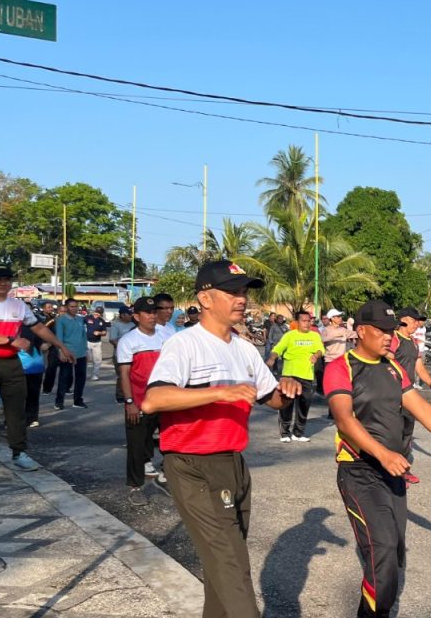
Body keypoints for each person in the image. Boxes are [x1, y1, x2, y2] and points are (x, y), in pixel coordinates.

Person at [140, 260, 302, 618]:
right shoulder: (185, 345)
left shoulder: (243, 349)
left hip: (233, 464)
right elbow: (154, 399)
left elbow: (270, 397)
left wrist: (286, 390)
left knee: (221, 566)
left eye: (243, 291)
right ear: (206, 298)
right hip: (193, 465)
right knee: (232, 567)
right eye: (232, 292)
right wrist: (218, 394)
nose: (241, 299)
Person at [326, 300, 431, 617]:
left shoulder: (393, 368)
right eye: (381, 330)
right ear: (362, 330)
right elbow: (344, 420)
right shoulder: (341, 367)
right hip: (360, 471)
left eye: (391, 331)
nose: (387, 337)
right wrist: (383, 453)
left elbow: (420, 408)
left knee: (394, 555)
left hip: (392, 474)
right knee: (381, 550)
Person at [0, 265, 73, 475]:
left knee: (16, 410)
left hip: (11, 363)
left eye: (7, 279)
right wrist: (10, 340)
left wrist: (60, 345)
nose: (3, 283)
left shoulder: (19, 306)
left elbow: (39, 327)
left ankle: (19, 453)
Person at [114, 297, 172, 506]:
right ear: (136, 316)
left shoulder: (167, 335)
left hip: (165, 400)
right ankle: (135, 487)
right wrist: (130, 402)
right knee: (137, 446)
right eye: (147, 313)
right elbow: (125, 374)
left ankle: (165, 477)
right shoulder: (129, 341)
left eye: (154, 312)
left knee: (173, 442)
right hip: (139, 402)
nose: (152, 316)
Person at [390, 307, 431, 484]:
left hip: (409, 393)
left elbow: (418, 365)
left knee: (406, 432)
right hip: (393, 392)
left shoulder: (412, 342)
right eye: (414, 320)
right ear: (404, 319)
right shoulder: (393, 339)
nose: (417, 324)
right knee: (393, 432)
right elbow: (386, 361)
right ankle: (390, 470)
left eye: (418, 321)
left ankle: (403, 469)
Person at [267, 311, 324, 443]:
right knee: (287, 404)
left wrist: (316, 355)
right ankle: (285, 433)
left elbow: (321, 349)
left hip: (307, 375)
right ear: (297, 322)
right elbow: (278, 349)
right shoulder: (289, 336)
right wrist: (272, 358)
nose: (307, 323)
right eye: (304, 321)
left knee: (304, 405)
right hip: (290, 376)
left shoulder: (314, 336)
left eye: (309, 321)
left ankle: (298, 433)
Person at [54, 298, 89, 410]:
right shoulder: (61, 320)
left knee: (81, 378)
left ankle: (78, 400)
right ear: (66, 307)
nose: (74, 308)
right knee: (64, 378)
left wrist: (86, 351)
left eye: (76, 306)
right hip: (67, 352)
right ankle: (59, 402)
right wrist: (61, 351)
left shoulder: (80, 319)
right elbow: (59, 337)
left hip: (81, 353)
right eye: (72, 306)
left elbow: (84, 336)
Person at [320, 309, 354, 390]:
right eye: (338, 317)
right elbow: (322, 339)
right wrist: (335, 336)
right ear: (332, 318)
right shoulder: (326, 330)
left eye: (340, 316)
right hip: (330, 361)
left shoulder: (343, 330)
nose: (340, 318)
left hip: (342, 360)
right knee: (331, 384)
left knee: (341, 383)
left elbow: (355, 334)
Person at [84, 306, 108, 381]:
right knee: (85, 360)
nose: (97, 314)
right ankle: (83, 374)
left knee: (97, 360)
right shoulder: (88, 318)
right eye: (96, 312)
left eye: (99, 313)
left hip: (97, 343)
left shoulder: (102, 321)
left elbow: (104, 332)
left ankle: (95, 375)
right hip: (87, 342)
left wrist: (100, 333)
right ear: (94, 311)